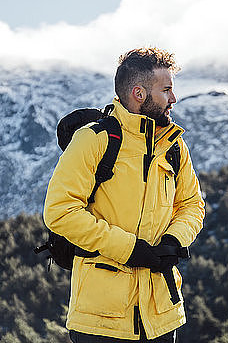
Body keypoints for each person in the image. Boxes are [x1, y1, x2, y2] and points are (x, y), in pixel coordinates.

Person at [43, 47, 205, 342]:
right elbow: (60, 211)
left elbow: (192, 205)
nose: (173, 99)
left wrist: (174, 240)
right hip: (101, 320)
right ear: (139, 93)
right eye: (166, 90)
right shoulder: (93, 140)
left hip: (161, 317)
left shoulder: (174, 146)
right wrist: (129, 249)